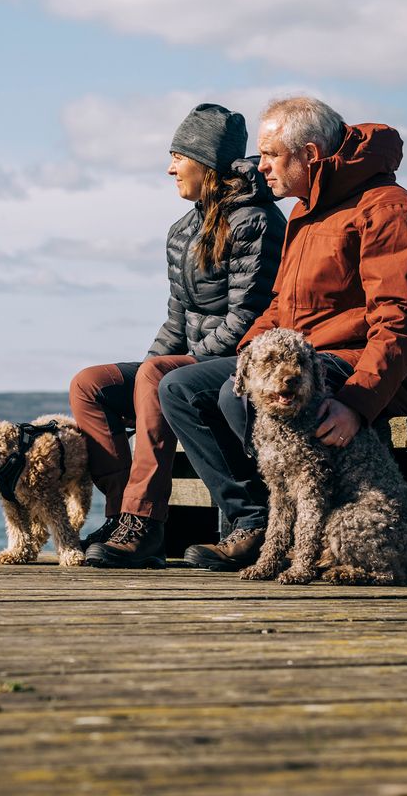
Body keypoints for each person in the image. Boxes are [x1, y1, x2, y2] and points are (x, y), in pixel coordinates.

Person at [159, 95, 407, 572]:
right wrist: (248, 357)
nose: (259, 165)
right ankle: (254, 521)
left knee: (237, 399)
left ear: (309, 154)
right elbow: (279, 306)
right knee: (181, 389)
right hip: (300, 361)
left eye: (271, 154)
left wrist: (357, 403)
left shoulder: (392, 210)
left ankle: (293, 532)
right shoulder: (306, 210)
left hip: (360, 367)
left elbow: (401, 320)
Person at [69, 103, 286, 569]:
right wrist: (147, 374)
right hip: (182, 366)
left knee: (157, 376)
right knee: (90, 384)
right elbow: (176, 320)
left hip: (235, 362)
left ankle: (144, 523)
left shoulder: (257, 221)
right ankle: (122, 515)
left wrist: (165, 371)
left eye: (178, 157)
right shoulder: (183, 230)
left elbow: (247, 319)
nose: (170, 168)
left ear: (206, 162)